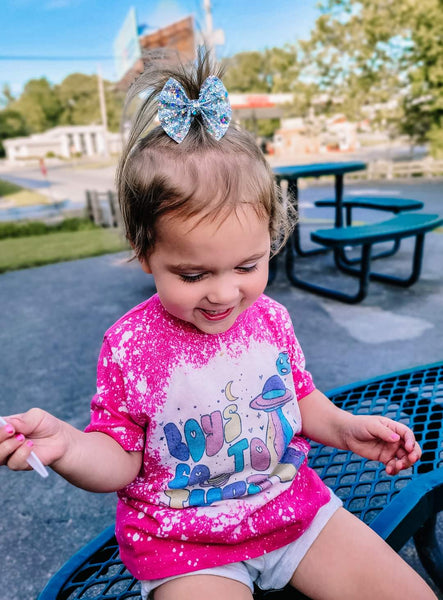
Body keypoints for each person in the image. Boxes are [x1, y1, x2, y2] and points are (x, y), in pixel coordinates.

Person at [0, 49, 437, 600]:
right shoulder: (132, 346)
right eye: (193, 273)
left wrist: (344, 428)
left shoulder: (271, 318)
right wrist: (65, 445)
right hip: (185, 546)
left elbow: (298, 400)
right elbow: (119, 460)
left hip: (289, 509)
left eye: (249, 266)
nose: (226, 293)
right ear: (144, 253)